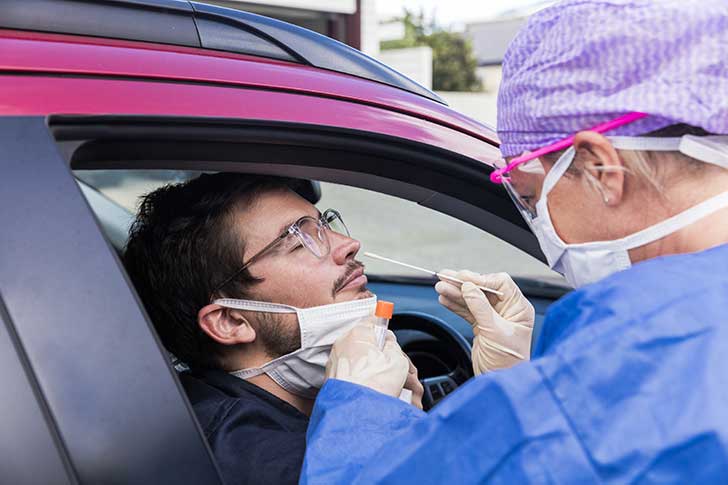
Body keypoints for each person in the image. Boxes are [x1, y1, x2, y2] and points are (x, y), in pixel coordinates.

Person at [299, 1, 728, 482]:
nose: (534, 219)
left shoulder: (630, 356)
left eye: (527, 195)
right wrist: (522, 382)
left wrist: (361, 411)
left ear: (601, 169)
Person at [123, 173, 422, 485]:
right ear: (230, 321)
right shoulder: (239, 450)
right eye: (299, 242)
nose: (349, 245)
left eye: (325, 225)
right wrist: (366, 420)